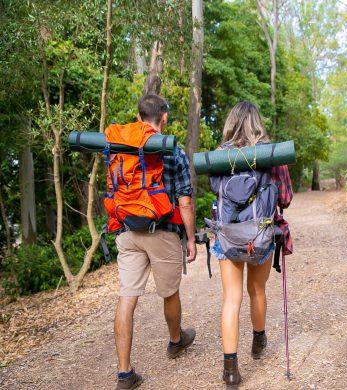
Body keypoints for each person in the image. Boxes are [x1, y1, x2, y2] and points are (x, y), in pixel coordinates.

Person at [113, 94, 198, 390]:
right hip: (162, 231)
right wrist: (190, 238)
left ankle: (124, 373)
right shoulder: (172, 151)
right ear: (163, 118)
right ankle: (176, 341)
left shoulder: (121, 147)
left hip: (126, 231)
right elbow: (184, 200)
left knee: (127, 296)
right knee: (169, 291)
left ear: (138, 118)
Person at [210, 101, 292, 388]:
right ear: (258, 123)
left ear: (231, 123)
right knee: (256, 289)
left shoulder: (219, 156)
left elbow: (213, 189)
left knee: (231, 298)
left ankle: (230, 371)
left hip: (227, 236)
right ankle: (258, 341)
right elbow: (285, 198)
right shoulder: (271, 154)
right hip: (261, 235)